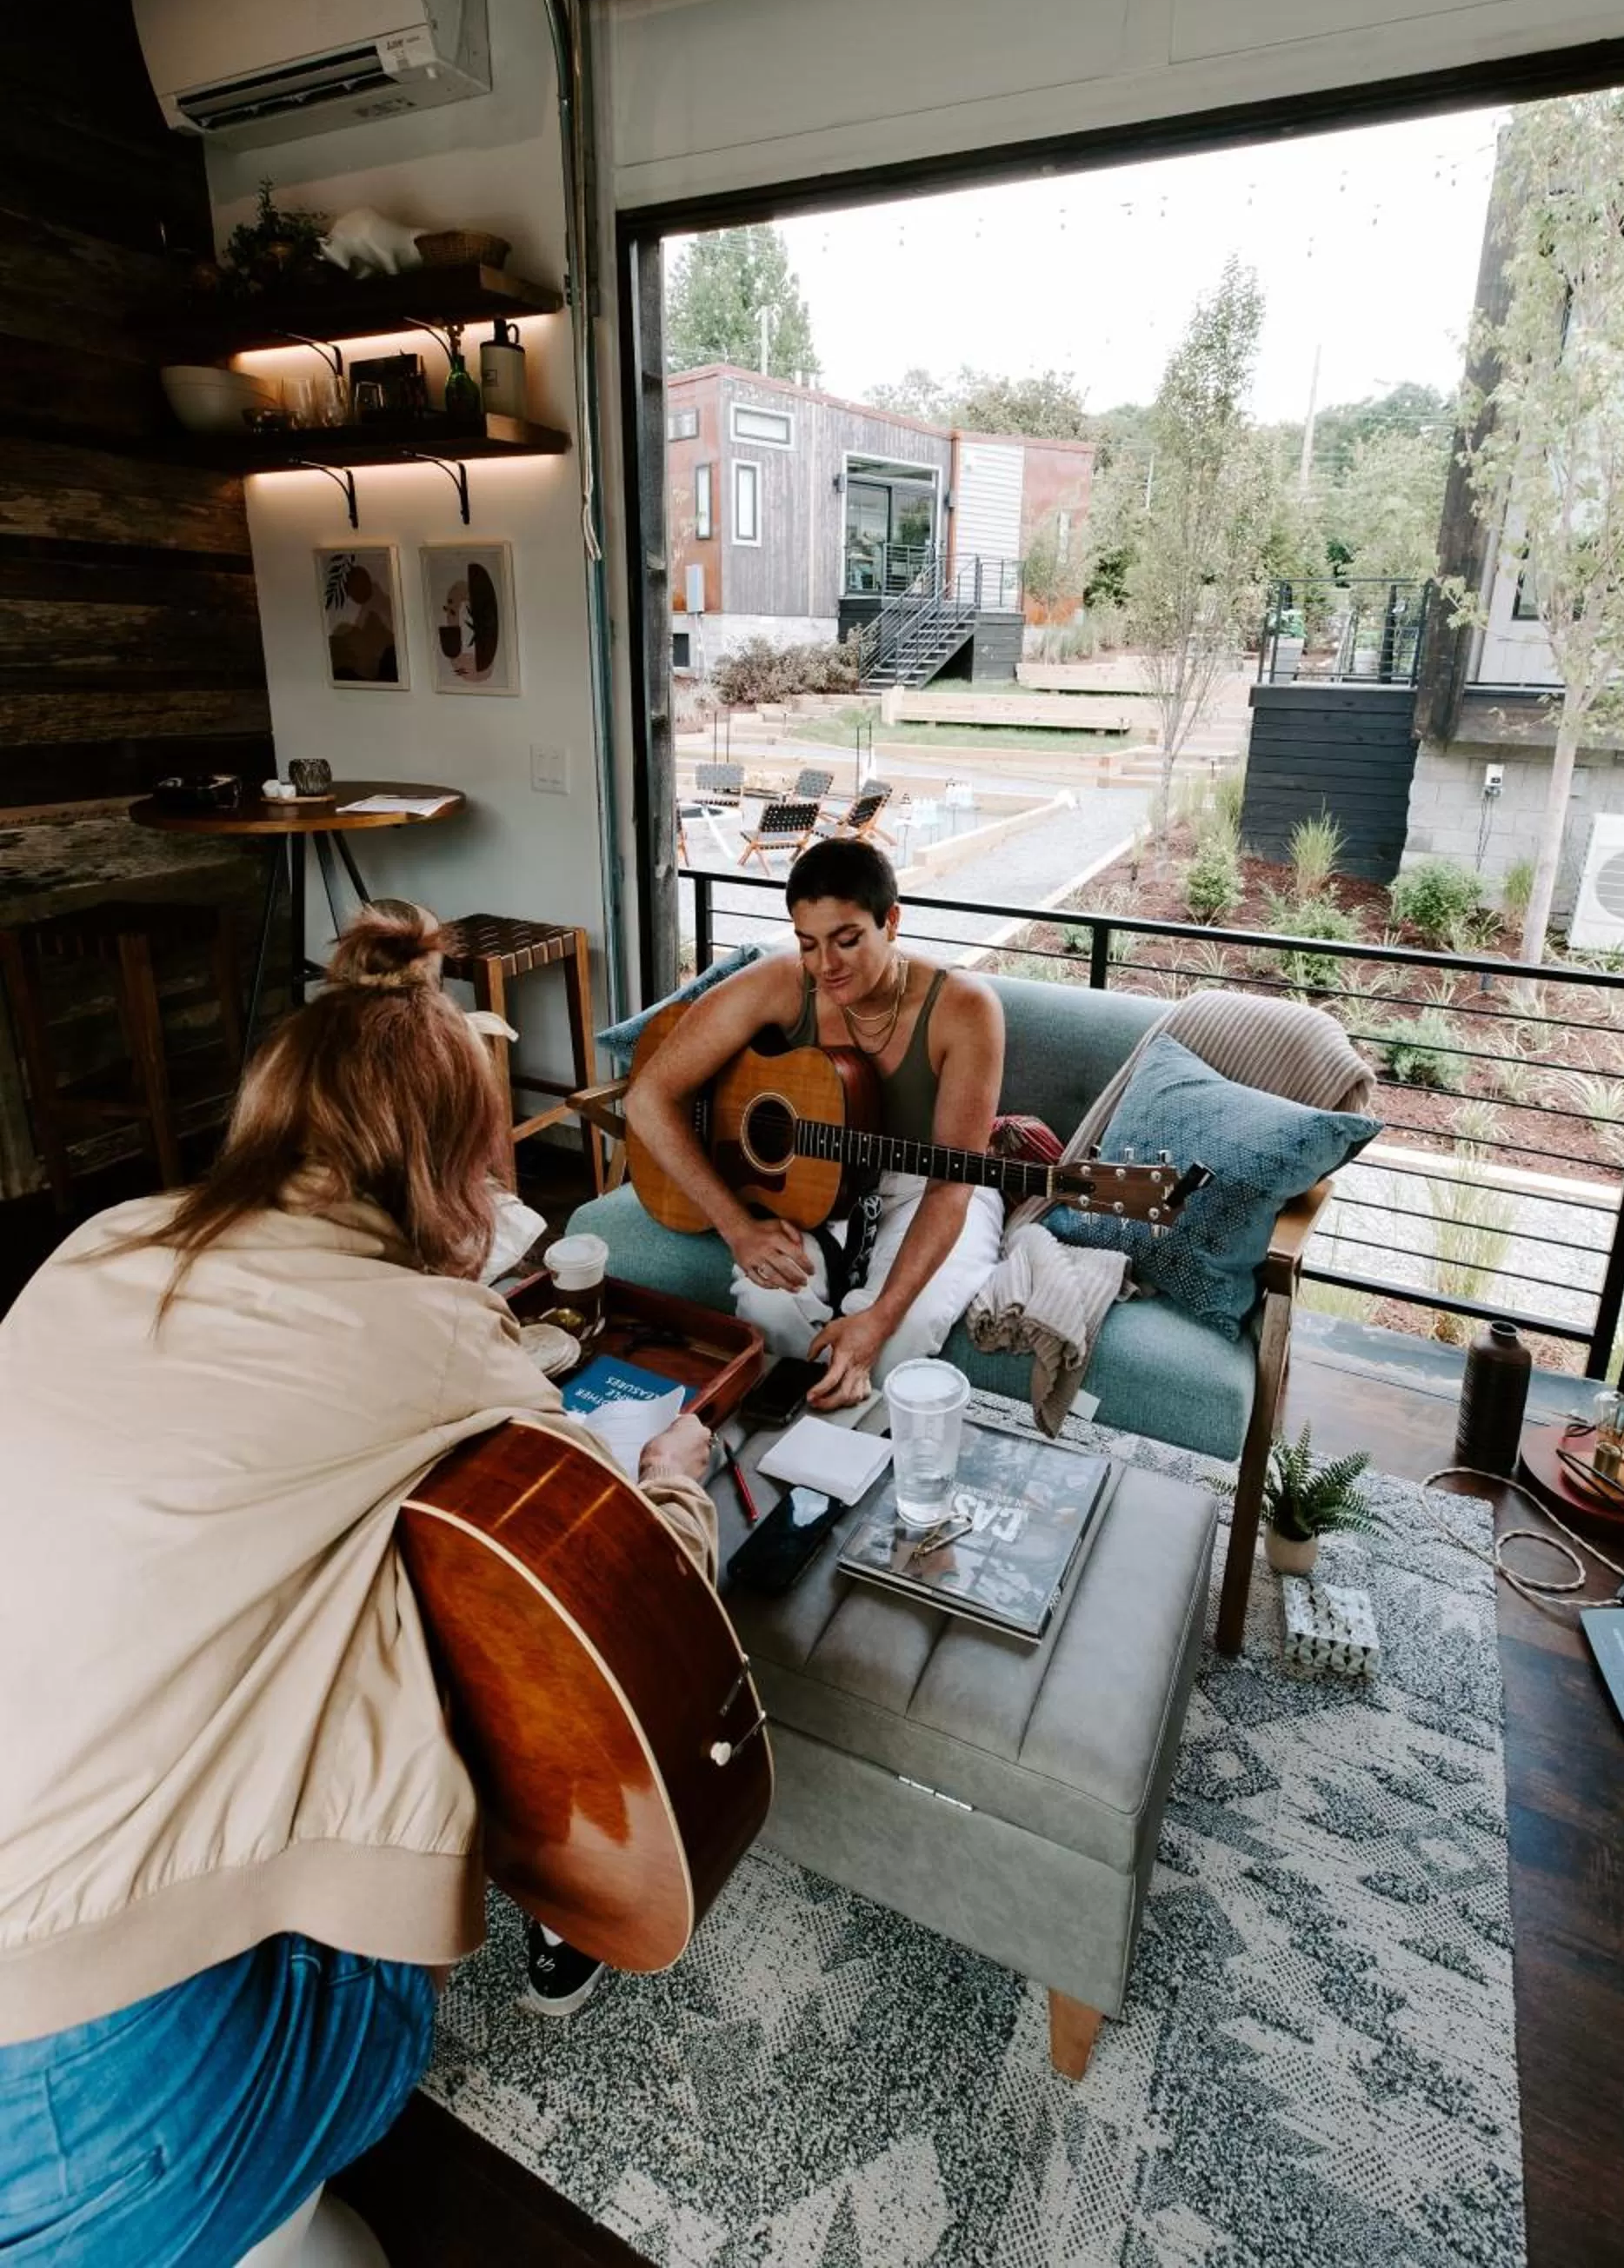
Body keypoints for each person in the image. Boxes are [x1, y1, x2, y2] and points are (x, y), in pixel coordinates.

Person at [0, 908, 714, 2262]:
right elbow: (624, 1579)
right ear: (459, 1166)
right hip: (115, 2109)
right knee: (441, 1618)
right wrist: (678, 1471)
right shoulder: (430, 1332)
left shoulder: (91, 1247)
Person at [628, 836, 1006, 1411]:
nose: (826, 965)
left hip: (923, 1188)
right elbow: (648, 1098)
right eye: (808, 943)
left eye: (847, 940)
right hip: (811, 1185)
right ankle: (784, 1458)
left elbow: (951, 1185)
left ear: (891, 921)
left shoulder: (965, 1010)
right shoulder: (783, 982)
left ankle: (856, 1468)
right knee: (768, 1304)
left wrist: (877, 1318)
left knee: (901, 1333)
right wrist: (736, 1226)